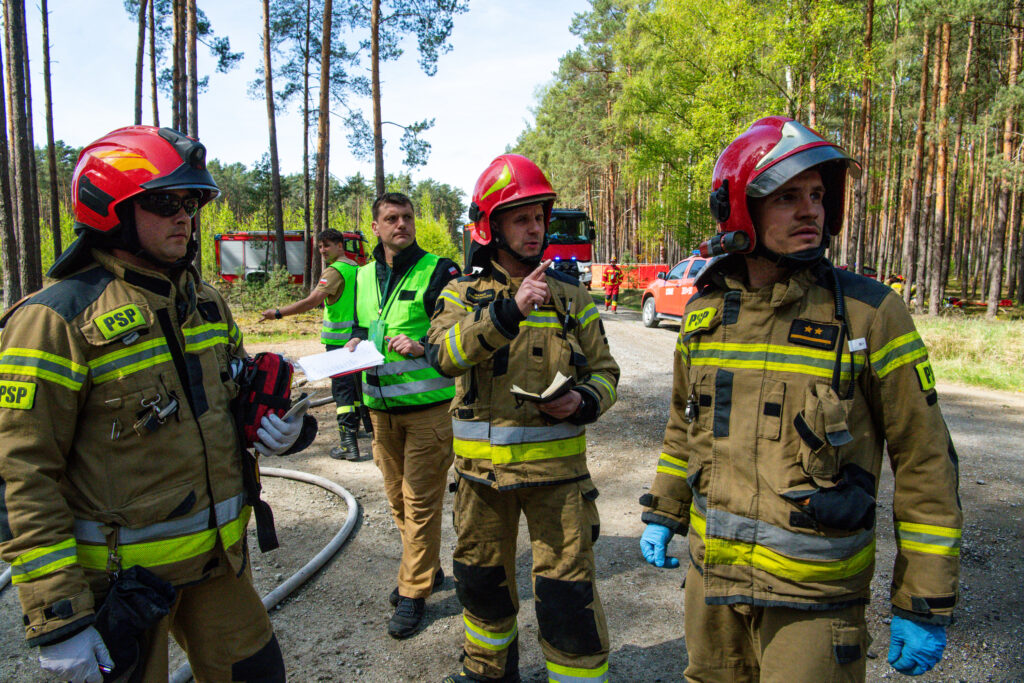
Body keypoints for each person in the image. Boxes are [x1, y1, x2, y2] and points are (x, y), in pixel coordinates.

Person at [638, 116, 962, 682]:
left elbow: (925, 460)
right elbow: (683, 427)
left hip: (814, 600)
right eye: (787, 197)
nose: (810, 210)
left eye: (816, 195)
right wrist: (665, 510)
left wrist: (922, 598)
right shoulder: (705, 314)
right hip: (713, 587)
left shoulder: (869, 314)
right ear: (740, 209)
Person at [0, 126, 310, 683]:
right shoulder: (55, 320)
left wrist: (285, 429)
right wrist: (59, 616)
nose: (184, 218)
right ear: (110, 209)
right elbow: (19, 472)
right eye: (166, 203)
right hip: (121, 587)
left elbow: (232, 396)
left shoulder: (205, 303)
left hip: (219, 566)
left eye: (191, 204)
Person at [428, 154, 620, 683]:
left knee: (567, 595)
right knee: (481, 584)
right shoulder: (460, 295)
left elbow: (606, 373)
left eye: (539, 217)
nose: (535, 229)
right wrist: (507, 312)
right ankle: (487, 671)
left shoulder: (571, 297)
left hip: (558, 480)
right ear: (491, 228)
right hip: (480, 479)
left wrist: (583, 401)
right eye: (521, 219)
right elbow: (442, 356)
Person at [342, 192, 461, 639]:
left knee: (421, 502)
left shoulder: (439, 270)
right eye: (391, 218)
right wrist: (354, 343)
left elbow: (460, 333)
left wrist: (423, 347)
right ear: (375, 227)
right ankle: (427, 568)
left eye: (407, 217)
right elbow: (362, 325)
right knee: (397, 500)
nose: (401, 224)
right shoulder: (362, 276)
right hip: (379, 411)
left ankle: (413, 591)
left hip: (428, 411)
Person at [262, 228, 367, 460]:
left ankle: (348, 445)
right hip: (358, 339)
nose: (322, 250)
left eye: (327, 245)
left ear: (340, 246)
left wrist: (278, 313)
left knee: (342, 391)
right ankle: (358, 429)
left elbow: (312, 302)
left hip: (339, 342)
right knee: (355, 387)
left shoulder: (334, 271)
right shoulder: (356, 268)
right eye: (320, 246)